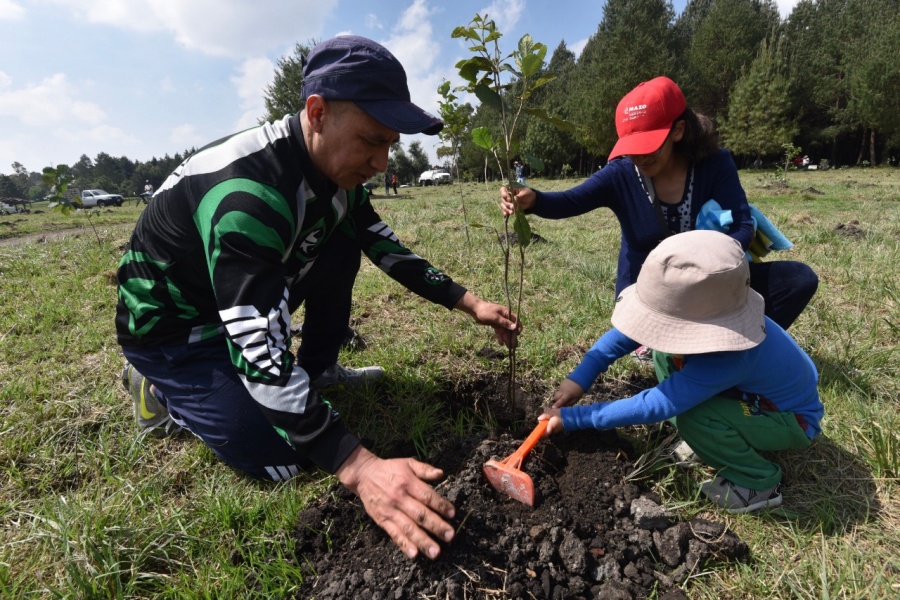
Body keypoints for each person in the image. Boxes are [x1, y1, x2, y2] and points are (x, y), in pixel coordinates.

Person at [116, 35, 521, 561]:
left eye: (389, 144)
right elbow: (259, 357)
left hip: (242, 298)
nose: (381, 161)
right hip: (177, 332)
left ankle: (320, 367)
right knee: (283, 456)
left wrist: (469, 303)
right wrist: (359, 467)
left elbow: (380, 241)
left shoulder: (336, 171)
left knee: (343, 240)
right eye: (371, 140)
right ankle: (158, 391)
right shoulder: (246, 198)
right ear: (317, 112)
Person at [500, 77, 818, 336]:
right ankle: (690, 347)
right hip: (648, 299)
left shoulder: (715, 165)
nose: (640, 158)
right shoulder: (621, 175)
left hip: (710, 287)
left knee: (798, 280)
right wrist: (534, 200)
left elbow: (742, 227)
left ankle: (744, 347)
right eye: (632, 148)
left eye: (649, 146)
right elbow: (570, 201)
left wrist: (701, 270)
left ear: (678, 130)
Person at [539, 230, 823, 514]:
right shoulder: (713, 312)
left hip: (788, 419)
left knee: (693, 414)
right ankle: (714, 437)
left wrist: (575, 418)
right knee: (663, 352)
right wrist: (580, 378)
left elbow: (656, 405)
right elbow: (624, 336)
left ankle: (756, 482)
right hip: (750, 396)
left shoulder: (733, 355)